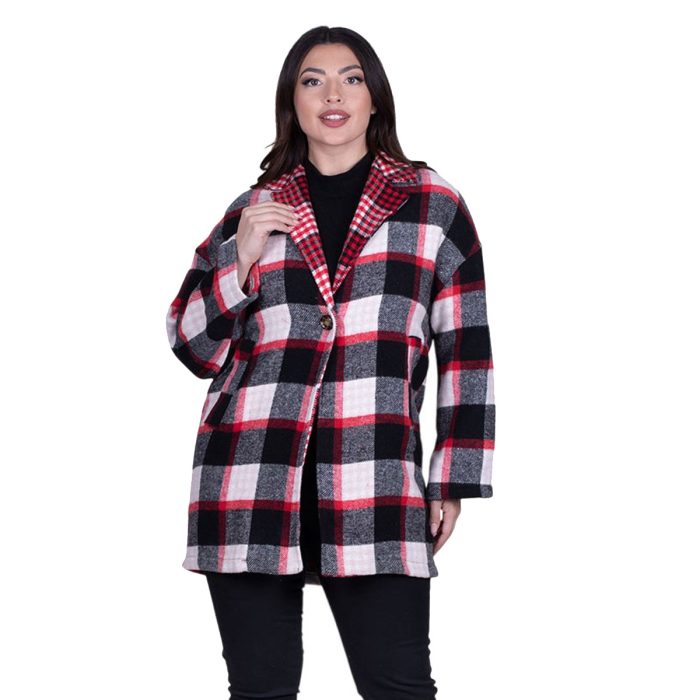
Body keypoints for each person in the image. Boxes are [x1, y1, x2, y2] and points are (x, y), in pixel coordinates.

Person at [165, 25, 496, 700]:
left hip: (375, 481)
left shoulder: (433, 205)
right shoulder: (253, 210)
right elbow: (191, 345)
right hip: (250, 480)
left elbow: (468, 350)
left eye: (351, 78)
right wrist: (239, 261)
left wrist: (454, 478)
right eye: (312, 81)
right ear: (293, 101)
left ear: (376, 98)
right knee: (259, 691)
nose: (333, 96)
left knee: (399, 687)